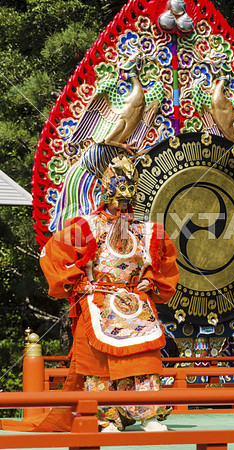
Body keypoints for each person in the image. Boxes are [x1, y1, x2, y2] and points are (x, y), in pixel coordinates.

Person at [38, 153, 179, 432]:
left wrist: (149, 280)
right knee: (100, 363)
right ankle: (107, 417)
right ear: (107, 193)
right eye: (119, 195)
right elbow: (53, 253)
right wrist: (78, 283)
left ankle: (148, 415)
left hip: (134, 301)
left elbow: (164, 265)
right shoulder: (88, 226)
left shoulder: (146, 230)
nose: (123, 203)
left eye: (129, 197)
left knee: (145, 359)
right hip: (100, 299)